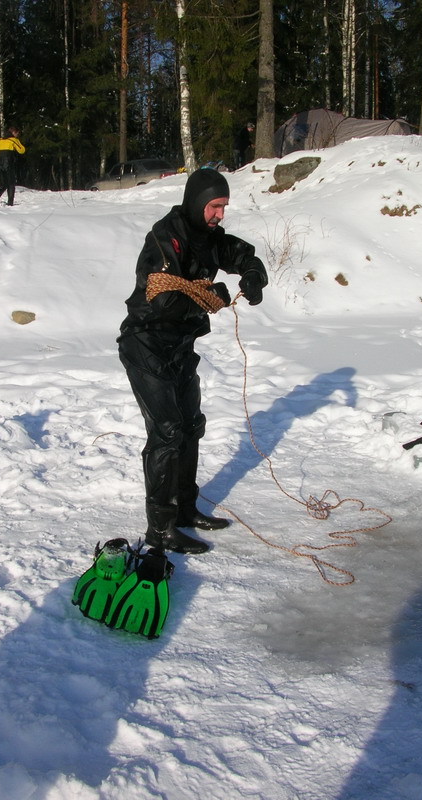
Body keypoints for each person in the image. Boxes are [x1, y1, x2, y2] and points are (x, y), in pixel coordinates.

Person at [117, 168, 268, 555]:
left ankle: (185, 509)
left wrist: (252, 275)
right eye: (215, 206)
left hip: (180, 347)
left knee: (190, 426)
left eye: (223, 207)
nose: (220, 214)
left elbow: (239, 252)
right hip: (146, 345)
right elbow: (164, 298)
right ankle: (160, 529)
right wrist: (213, 292)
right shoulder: (165, 237)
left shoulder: (208, 238)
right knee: (167, 431)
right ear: (198, 201)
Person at [0, 126, 25, 206]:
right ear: (14, 133)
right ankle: (10, 203)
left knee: (3, 184)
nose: (17, 135)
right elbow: (22, 150)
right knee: (11, 184)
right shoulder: (13, 140)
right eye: (17, 133)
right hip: (8, 164)